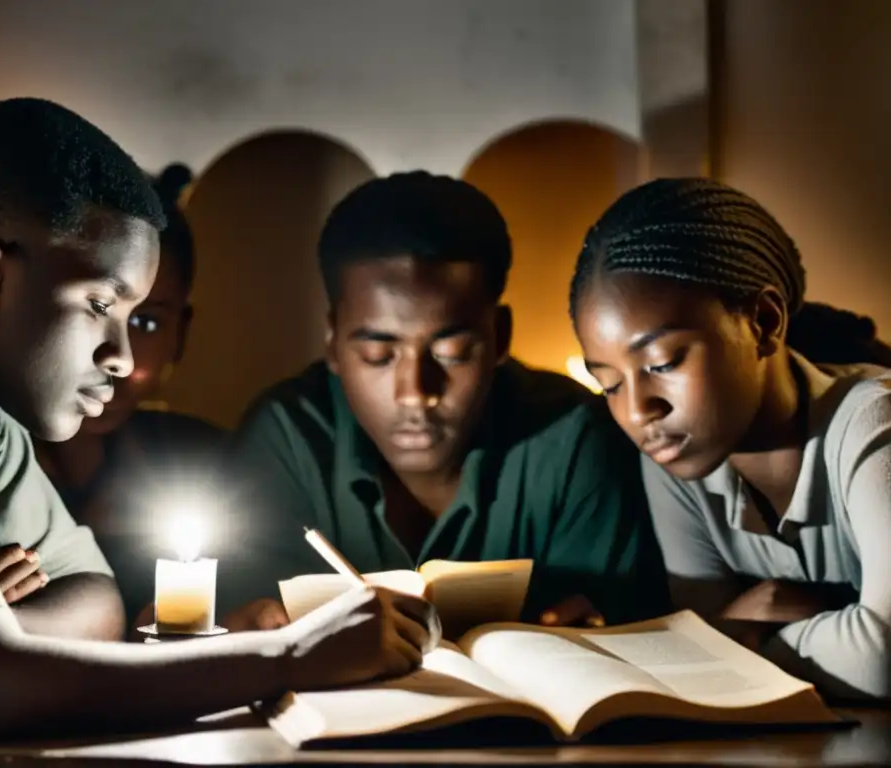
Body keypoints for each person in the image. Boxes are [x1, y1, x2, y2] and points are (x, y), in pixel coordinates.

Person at [0, 98, 436, 740]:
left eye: (138, 318)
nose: (122, 358)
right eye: (100, 304)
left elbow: (96, 601)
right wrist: (292, 653)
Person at [226, 171, 670, 629]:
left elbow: (626, 625)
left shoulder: (573, 438)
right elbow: (239, 618)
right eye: (378, 355)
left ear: (500, 337)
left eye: (451, 353)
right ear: (334, 341)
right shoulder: (288, 436)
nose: (416, 391)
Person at [569, 177, 891, 702]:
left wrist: (740, 638)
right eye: (609, 384)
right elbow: (706, 647)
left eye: (662, 363)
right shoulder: (676, 459)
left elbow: (883, 659)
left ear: (764, 322)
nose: (637, 410)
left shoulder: (874, 424)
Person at [33, 163, 230, 628]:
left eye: (146, 323)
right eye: (94, 307)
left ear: (180, 335)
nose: (116, 355)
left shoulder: (207, 463)